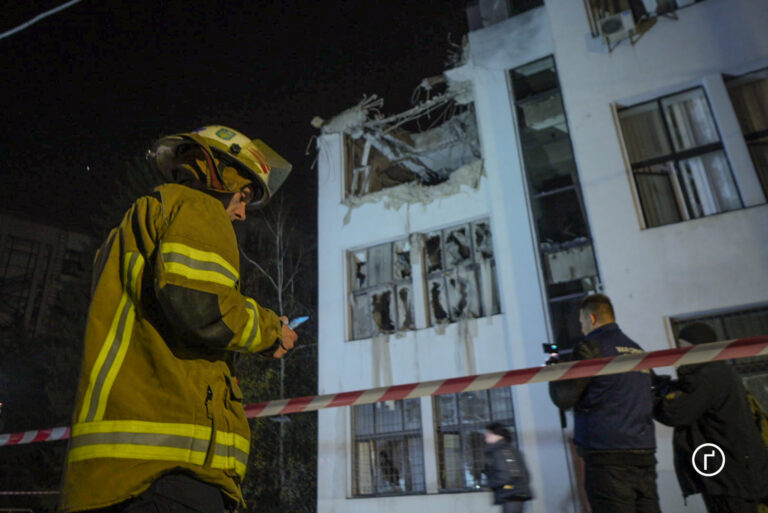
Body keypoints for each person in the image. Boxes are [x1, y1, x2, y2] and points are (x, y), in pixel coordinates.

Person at [59, 125, 299, 513]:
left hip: (110, 478)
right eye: (243, 196)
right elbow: (203, 306)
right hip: (167, 473)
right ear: (221, 175)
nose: (240, 213)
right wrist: (271, 330)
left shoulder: (137, 223)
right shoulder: (197, 206)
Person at [548, 293, 661, 513]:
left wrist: (553, 370)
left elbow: (563, 397)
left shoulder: (591, 348)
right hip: (644, 456)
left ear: (591, 319)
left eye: (581, 323)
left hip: (608, 460)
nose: (581, 329)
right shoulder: (637, 350)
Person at [653, 322, 768, 513]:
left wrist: (648, 395)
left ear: (698, 347)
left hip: (731, 479)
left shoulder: (706, 375)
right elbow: (687, 394)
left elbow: (676, 413)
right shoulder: (719, 370)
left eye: (684, 347)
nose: (681, 353)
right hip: (741, 472)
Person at [484, 422, 532, 513]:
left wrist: (491, 484)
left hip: (511, 495)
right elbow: (526, 475)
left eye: (488, 435)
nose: (486, 439)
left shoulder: (501, 450)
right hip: (513, 494)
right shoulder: (510, 449)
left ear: (497, 435)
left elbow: (505, 474)